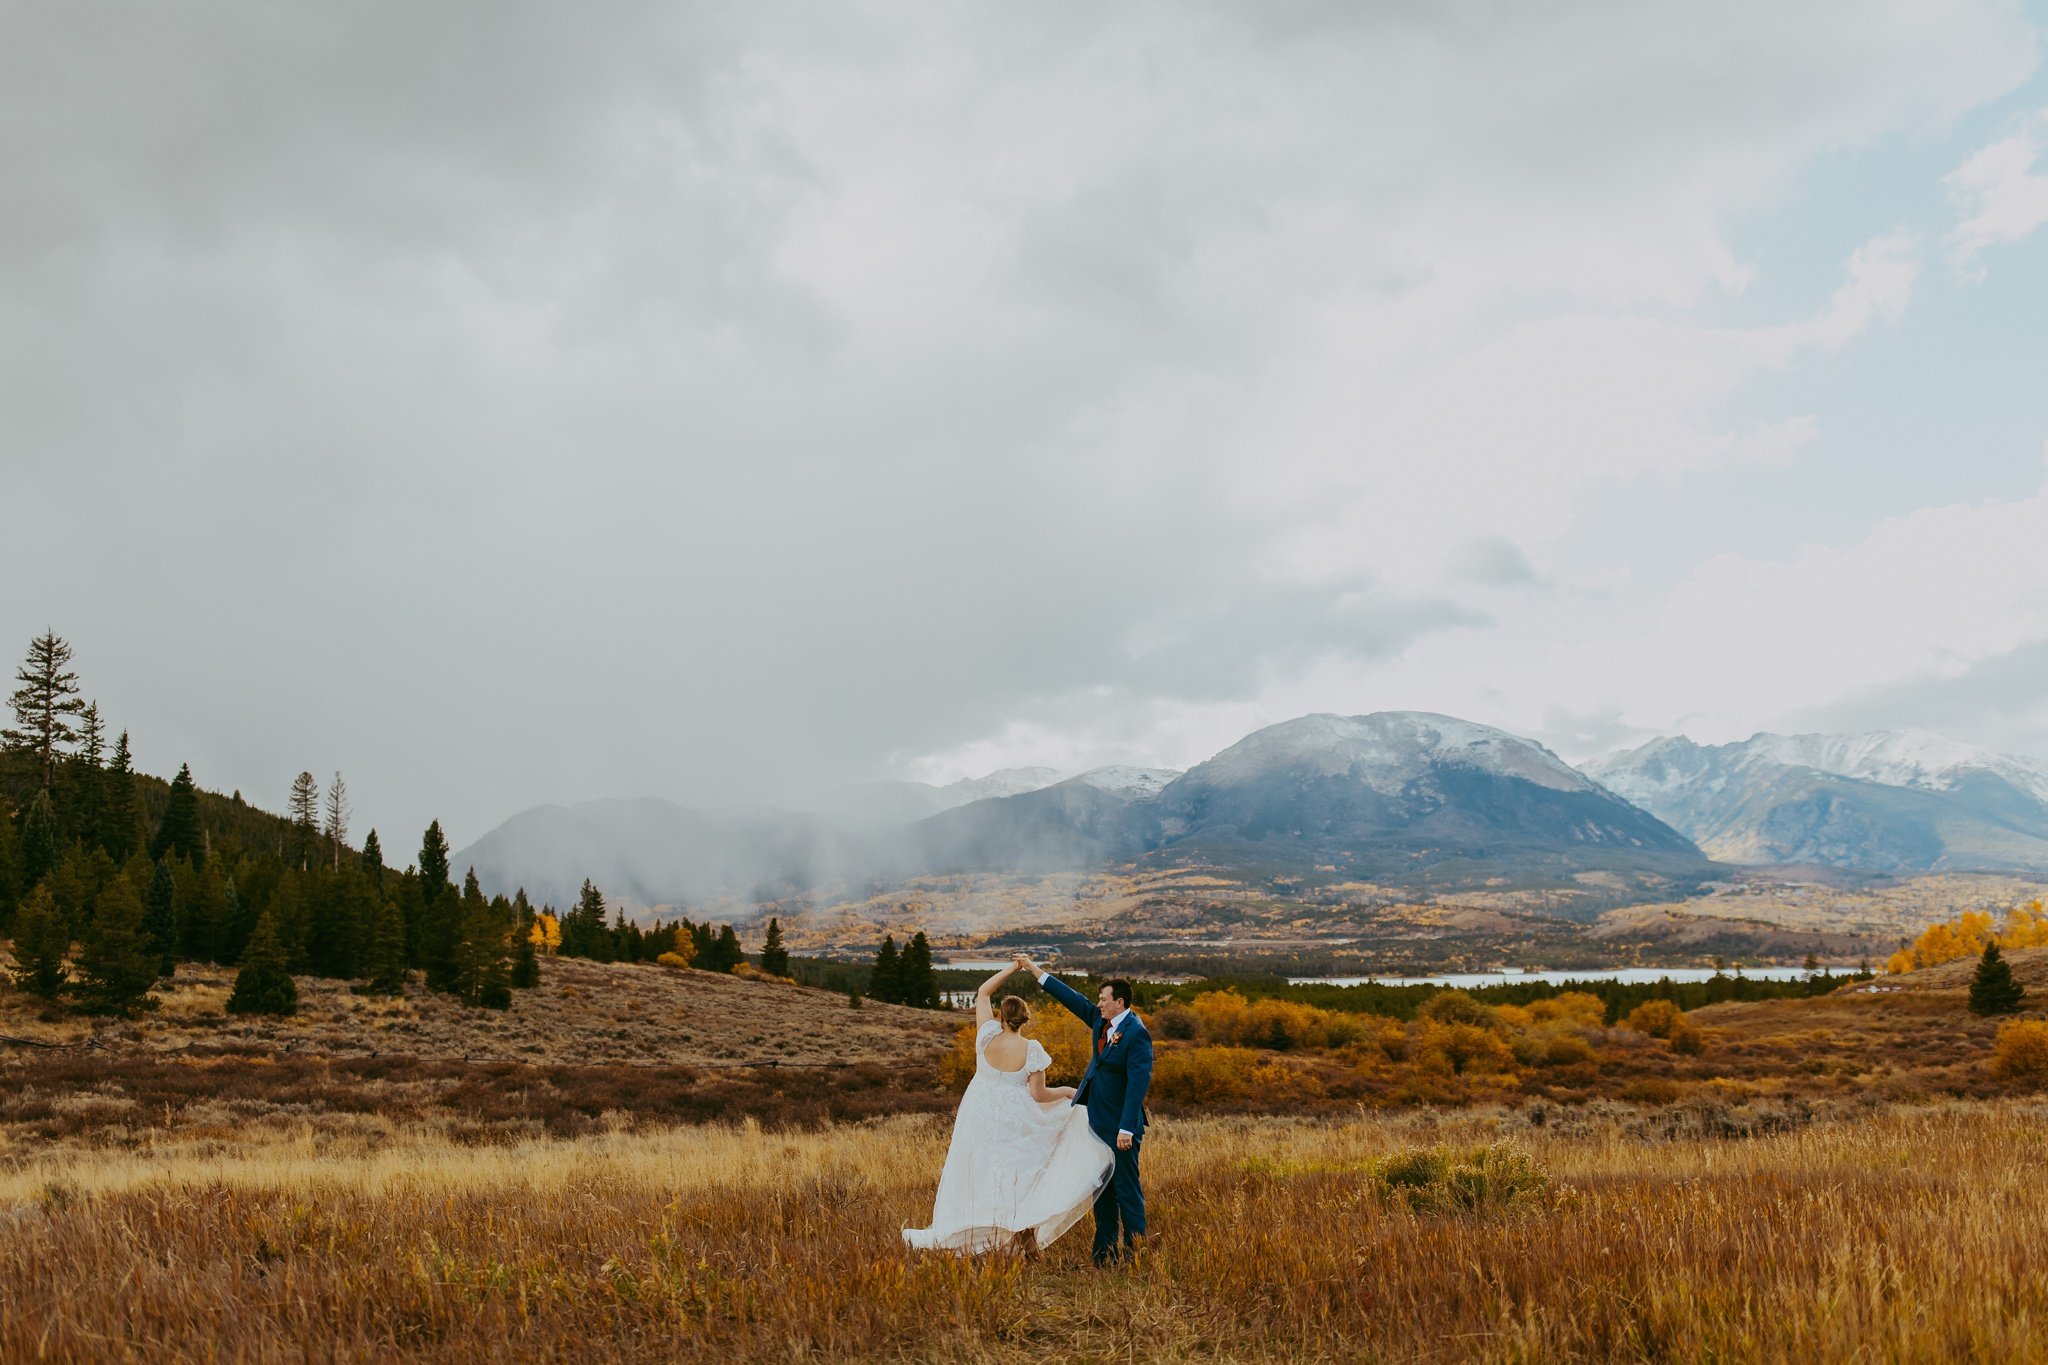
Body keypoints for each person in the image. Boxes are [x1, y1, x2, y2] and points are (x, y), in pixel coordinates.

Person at [902, 960, 1113, 1254]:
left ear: (1001, 1016)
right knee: (1021, 1175)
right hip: (1016, 1117)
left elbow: (983, 991)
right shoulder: (1032, 1049)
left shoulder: (986, 1035)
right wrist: (1066, 1090)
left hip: (978, 1112)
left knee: (979, 1173)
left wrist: (1014, 968)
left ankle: (1003, 1236)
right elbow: (1039, 1096)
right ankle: (1023, 1239)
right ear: (1024, 1019)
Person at [1015, 953, 1152, 1267]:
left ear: (1119, 1002)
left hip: (1120, 1126)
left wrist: (1126, 1129)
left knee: (1127, 1191)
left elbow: (1137, 1084)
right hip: (1094, 1121)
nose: (1099, 1003)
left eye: (1104, 999)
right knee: (1101, 1191)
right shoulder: (1100, 1021)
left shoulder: (1136, 1033)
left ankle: (1137, 1258)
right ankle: (1103, 1256)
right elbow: (1070, 997)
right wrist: (1035, 970)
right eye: (1099, 1000)